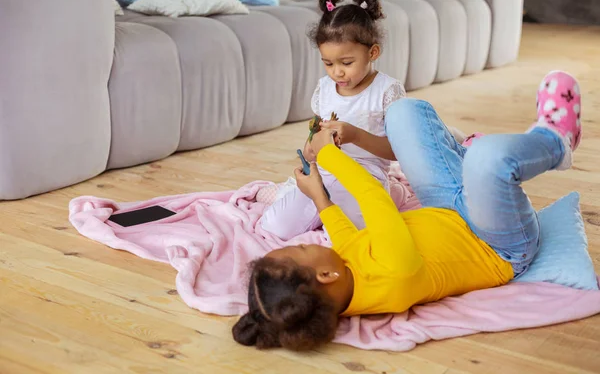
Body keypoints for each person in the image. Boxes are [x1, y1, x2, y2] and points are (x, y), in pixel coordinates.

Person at [232, 70, 583, 351]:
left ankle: (465, 159)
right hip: (498, 243)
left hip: (447, 210)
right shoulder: (393, 276)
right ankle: (555, 141)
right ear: (325, 276)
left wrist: (318, 194)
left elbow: (344, 236)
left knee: (402, 113)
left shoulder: (341, 282)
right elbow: (373, 197)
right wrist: (327, 155)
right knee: (488, 159)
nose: (316, 243)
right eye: (307, 247)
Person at [258, 0, 406, 241]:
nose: (337, 72)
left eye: (346, 63)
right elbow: (316, 126)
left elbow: (397, 151)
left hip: (363, 177)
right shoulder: (326, 88)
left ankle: (390, 193)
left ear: (373, 52)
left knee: (355, 235)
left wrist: (355, 136)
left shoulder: (387, 90)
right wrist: (309, 149)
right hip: (325, 173)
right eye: (328, 63)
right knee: (274, 228)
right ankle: (298, 196)